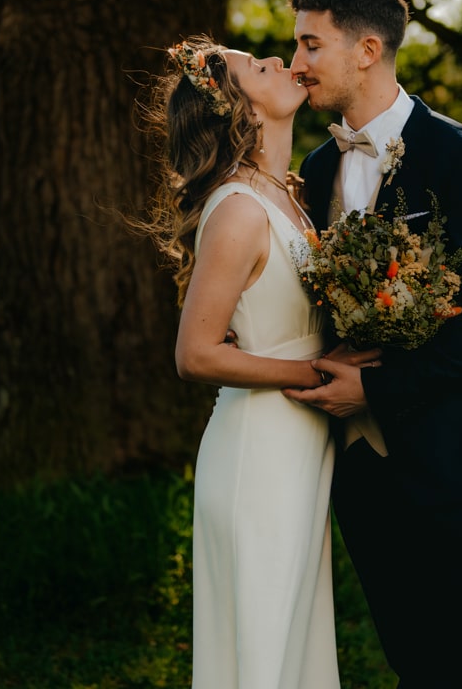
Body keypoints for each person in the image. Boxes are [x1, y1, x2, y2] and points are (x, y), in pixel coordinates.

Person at [283, 0, 462, 688]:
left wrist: (377, 387)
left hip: (457, 456)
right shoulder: (317, 164)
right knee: (413, 661)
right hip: (362, 469)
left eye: (310, 44)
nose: (297, 64)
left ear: (367, 49)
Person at [139, 36, 362, 689]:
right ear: (234, 106)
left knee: (290, 643)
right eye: (255, 67)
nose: (276, 61)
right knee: (261, 653)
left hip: (296, 446)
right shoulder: (238, 210)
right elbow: (196, 353)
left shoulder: (286, 196)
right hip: (257, 455)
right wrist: (314, 375)